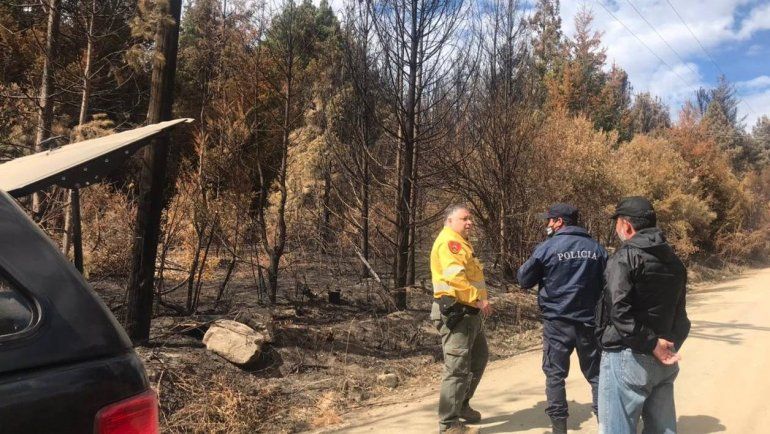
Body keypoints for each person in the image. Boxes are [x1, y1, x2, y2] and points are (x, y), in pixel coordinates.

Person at [596, 196, 690, 434]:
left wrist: (650, 343)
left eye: (617, 222)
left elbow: (618, 309)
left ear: (626, 225)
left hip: (627, 356)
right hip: (664, 360)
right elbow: (681, 319)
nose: (616, 228)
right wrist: (665, 346)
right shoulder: (675, 262)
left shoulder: (625, 256)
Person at [517, 203, 608, 434]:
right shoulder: (597, 249)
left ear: (559, 222)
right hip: (590, 323)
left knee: (555, 375)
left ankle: (559, 429)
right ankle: (607, 426)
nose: (547, 224)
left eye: (550, 220)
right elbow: (609, 284)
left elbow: (524, 279)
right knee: (597, 375)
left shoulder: (547, 248)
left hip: (557, 323)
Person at [430, 205, 493, 434]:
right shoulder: (450, 243)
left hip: (470, 315)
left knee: (478, 359)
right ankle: (448, 424)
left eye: (470, 219)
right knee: (456, 369)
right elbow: (455, 278)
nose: (470, 223)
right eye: (464, 218)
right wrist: (479, 299)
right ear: (449, 220)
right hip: (458, 314)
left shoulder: (462, 243)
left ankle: (462, 406)